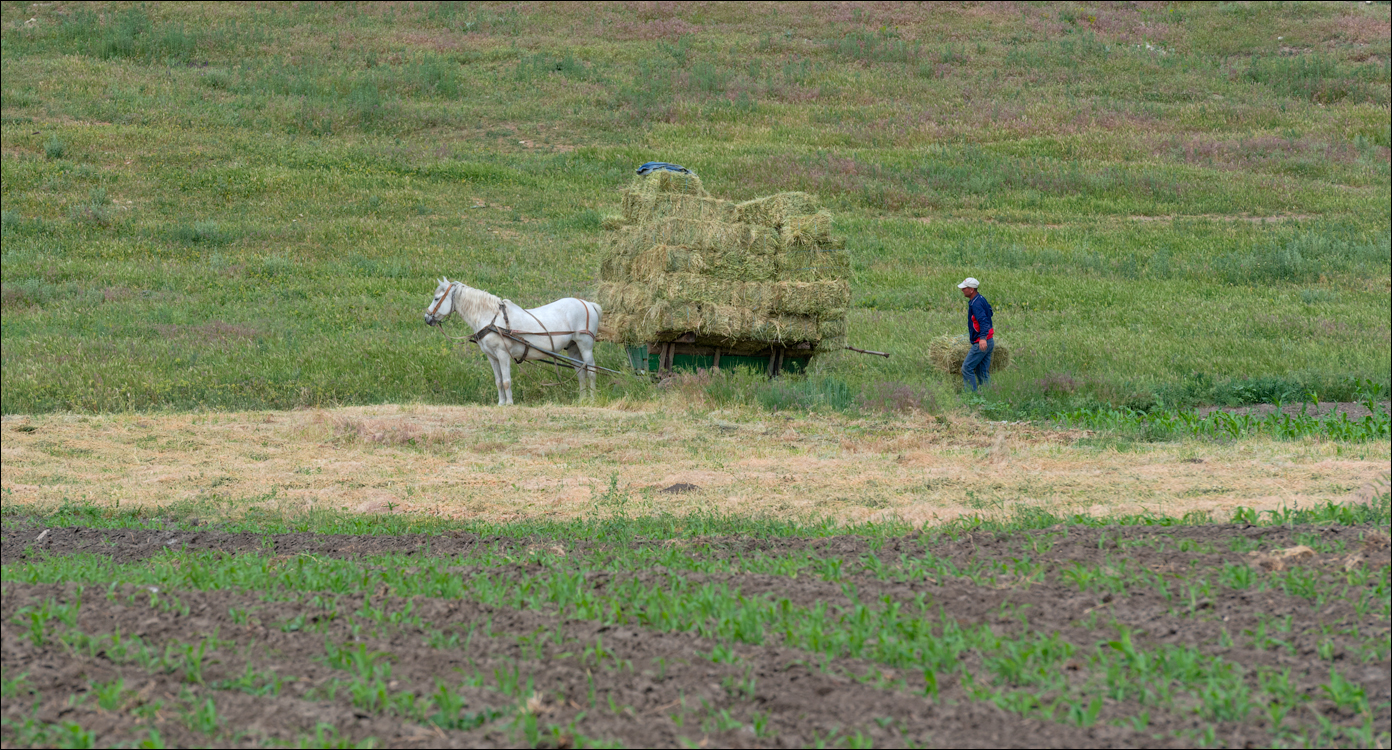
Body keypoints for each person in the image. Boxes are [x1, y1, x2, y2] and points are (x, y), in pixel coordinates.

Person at [958, 277, 994, 391]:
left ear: (971, 289)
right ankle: (988, 395)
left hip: (982, 342)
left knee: (967, 368)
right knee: (982, 371)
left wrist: (982, 338)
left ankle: (970, 396)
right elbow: (990, 312)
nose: (962, 290)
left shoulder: (976, 304)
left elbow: (983, 321)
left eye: (964, 288)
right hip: (990, 340)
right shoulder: (980, 299)